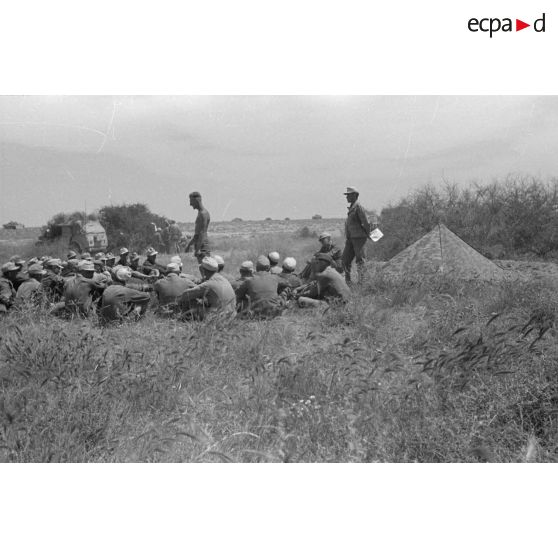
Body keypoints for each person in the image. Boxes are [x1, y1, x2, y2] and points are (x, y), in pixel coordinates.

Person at [342, 187, 371, 284]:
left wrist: (370, 234)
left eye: (348, 195)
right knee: (345, 260)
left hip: (359, 238)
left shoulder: (358, 207)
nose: (347, 197)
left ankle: (362, 283)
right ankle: (348, 282)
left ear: (354, 195)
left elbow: (366, 222)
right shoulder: (352, 207)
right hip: (350, 239)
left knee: (360, 261)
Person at [185, 191, 211, 263]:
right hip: (200, 246)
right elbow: (197, 235)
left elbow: (202, 233)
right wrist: (189, 245)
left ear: (197, 200)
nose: (190, 204)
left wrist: (197, 250)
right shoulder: (200, 213)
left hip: (203, 247)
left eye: (191, 201)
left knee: (206, 271)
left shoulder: (203, 214)